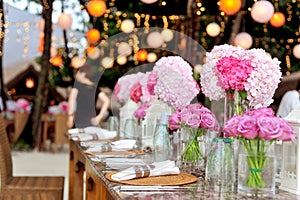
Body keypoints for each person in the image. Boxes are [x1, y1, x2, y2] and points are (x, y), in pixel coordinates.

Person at [67, 64, 111, 128]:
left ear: (83, 74)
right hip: (93, 122)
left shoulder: (78, 86)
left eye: (78, 73)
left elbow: (72, 99)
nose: (76, 75)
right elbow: (106, 100)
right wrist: (99, 117)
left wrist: (70, 117)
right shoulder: (95, 87)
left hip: (79, 121)